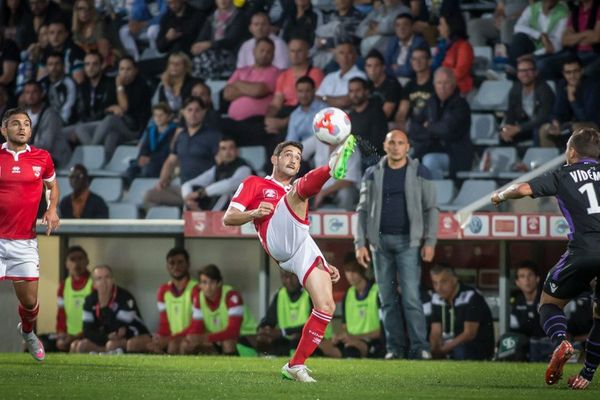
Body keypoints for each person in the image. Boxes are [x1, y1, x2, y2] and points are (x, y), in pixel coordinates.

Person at [222, 136, 358, 381]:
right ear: (274, 159)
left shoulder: (298, 194)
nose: (294, 160)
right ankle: (331, 168)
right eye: (288, 155)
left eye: (298, 158)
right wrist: (254, 212)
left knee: (326, 305)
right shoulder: (255, 183)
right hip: (277, 241)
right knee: (297, 194)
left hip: (301, 245)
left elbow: (303, 234)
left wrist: (323, 262)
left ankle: (295, 365)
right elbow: (228, 218)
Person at [491, 127, 600, 389]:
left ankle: (562, 340)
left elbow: (524, 188)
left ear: (572, 152)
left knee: (549, 303)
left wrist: (500, 195)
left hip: (583, 251)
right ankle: (586, 375)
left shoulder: (564, 173)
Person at [354, 129, 437, 360]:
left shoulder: (421, 171)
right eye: (392, 142)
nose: (396, 147)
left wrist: (430, 241)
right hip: (379, 244)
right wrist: (360, 242)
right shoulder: (372, 173)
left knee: (411, 297)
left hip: (408, 243)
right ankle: (394, 348)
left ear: (407, 147)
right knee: (387, 299)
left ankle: (421, 347)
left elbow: (432, 208)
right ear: (385, 144)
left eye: (400, 143)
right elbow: (361, 210)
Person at [0, 106, 61, 361]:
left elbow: (52, 185)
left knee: (29, 303)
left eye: (26, 123)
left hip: (24, 241)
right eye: (16, 123)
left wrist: (52, 209)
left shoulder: (42, 157)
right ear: (4, 129)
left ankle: (27, 332)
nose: (22, 127)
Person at [144, 96, 221, 208]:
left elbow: (222, 165)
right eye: (189, 110)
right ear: (183, 112)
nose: (193, 114)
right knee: (150, 195)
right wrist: (163, 179)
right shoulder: (181, 136)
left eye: (197, 110)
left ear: (204, 112)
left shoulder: (213, 136)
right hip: (183, 188)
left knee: (190, 204)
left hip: (203, 191)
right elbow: (171, 161)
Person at [75, 56, 152, 160]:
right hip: (116, 124)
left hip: (134, 128)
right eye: (122, 69)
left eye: (128, 69)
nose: (125, 72)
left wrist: (119, 87)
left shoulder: (141, 86)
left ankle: (92, 152)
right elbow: (107, 108)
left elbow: (124, 109)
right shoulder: (112, 85)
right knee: (83, 129)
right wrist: (111, 109)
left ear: (135, 71)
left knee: (111, 120)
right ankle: (104, 163)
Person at [256, 270, 337, 357]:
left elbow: (313, 326)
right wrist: (264, 328)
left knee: (297, 339)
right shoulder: (280, 294)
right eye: (284, 277)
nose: (288, 280)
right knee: (269, 341)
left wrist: (283, 332)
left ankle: (295, 365)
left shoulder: (311, 293)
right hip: (289, 338)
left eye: (292, 276)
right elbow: (269, 319)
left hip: (319, 339)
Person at [409, 67, 473, 176]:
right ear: (434, 85)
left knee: (430, 161)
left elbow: (447, 130)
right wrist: (434, 130)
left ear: (453, 84)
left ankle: (436, 193)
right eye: (439, 83)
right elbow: (414, 129)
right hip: (428, 149)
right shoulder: (430, 102)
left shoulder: (461, 105)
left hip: (455, 155)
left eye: (446, 83)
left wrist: (428, 127)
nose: (442, 87)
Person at [75, 265, 152, 354]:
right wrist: (105, 337)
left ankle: (104, 353)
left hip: (134, 335)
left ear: (113, 280)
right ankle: (102, 354)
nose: (104, 282)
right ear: (94, 284)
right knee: (80, 345)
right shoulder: (90, 300)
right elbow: (87, 330)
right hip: (107, 338)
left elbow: (120, 329)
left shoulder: (125, 297)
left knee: (111, 345)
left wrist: (103, 336)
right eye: (99, 278)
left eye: (107, 277)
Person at [183, 264, 258, 356]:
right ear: (199, 285)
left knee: (227, 343)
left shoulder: (231, 296)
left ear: (219, 283)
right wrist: (191, 338)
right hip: (220, 337)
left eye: (212, 282)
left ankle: (234, 369)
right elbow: (196, 327)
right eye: (204, 282)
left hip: (247, 338)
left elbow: (233, 331)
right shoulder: (199, 298)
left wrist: (204, 338)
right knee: (187, 344)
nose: (208, 287)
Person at [429, 264, 495, 360]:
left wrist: (443, 350)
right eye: (435, 283)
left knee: (461, 350)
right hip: (449, 346)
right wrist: (434, 348)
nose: (439, 288)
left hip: (475, 348)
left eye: (443, 282)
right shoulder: (436, 298)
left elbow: (469, 334)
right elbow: (435, 331)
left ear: (455, 280)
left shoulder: (471, 296)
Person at [264, 37, 325, 137]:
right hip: (286, 111)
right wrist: (269, 118)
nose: (295, 55)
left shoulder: (316, 73)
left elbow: (315, 102)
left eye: (299, 51)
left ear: (307, 53)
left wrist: (284, 122)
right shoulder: (283, 76)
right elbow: (276, 104)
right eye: (292, 51)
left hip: (305, 112)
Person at [539, 56, 600, 149]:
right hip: (570, 126)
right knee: (545, 129)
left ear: (582, 71)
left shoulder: (592, 86)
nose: (572, 76)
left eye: (576, 71)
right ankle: (553, 162)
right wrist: (556, 122)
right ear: (563, 73)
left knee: (578, 129)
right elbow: (557, 110)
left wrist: (572, 99)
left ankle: (583, 162)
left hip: (593, 126)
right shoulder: (563, 84)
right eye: (568, 72)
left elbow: (586, 117)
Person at [147, 247, 198, 355]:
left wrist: (170, 339)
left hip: (193, 336)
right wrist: (159, 338)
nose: (176, 266)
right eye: (172, 263)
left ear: (188, 264)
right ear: (167, 267)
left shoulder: (196, 289)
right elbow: (164, 323)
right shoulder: (163, 290)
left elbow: (197, 325)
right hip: (173, 338)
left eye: (180, 262)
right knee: (146, 345)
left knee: (173, 345)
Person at [181, 137, 252, 211]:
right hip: (225, 210)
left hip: (244, 210)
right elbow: (189, 184)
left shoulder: (244, 167)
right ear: (219, 152)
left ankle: (210, 216)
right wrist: (189, 199)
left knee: (225, 193)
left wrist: (202, 193)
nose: (227, 152)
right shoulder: (218, 168)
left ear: (237, 151)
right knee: (189, 200)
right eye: (223, 149)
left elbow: (230, 184)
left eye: (231, 148)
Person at [333, 256, 382, 358]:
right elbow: (344, 327)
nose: (350, 275)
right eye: (347, 271)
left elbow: (383, 331)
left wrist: (354, 337)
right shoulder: (348, 294)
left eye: (354, 271)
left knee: (351, 350)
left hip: (372, 341)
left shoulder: (377, 291)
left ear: (362, 271)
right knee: (322, 347)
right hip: (351, 340)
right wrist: (339, 336)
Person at [501, 55, 554, 145]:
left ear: (535, 72)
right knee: (503, 135)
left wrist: (518, 128)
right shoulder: (515, 89)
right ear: (517, 74)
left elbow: (543, 117)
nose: (525, 74)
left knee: (537, 132)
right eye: (521, 71)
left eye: (528, 70)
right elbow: (510, 113)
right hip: (525, 126)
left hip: (542, 126)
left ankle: (538, 158)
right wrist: (507, 129)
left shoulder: (544, 88)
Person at [509, 260, 553, 361]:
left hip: (549, 346)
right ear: (517, 282)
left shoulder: (547, 298)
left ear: (537, 279)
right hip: (526, 350)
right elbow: (514, 331)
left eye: (530, 275)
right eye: (522, 276)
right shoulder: (515, 301)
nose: (527, 280)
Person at [22, 80, 71, 168]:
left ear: (42, 94)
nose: (30, 95)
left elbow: (46, 144)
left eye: (34, 92)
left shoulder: (50, 114)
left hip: (54, 157)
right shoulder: (24, 115)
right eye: (27, 92)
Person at [126, 103, 177, 183]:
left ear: (168, 117)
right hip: (149, 161)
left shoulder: (173, 132)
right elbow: (144, 147)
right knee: (130, 170)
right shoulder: (151, 130)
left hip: (162, 163)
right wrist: (142, 157)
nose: (158, 118)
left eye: (161, 115)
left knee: (148, 170)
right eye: (155, 115)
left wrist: (150, 159)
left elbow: (167, 151)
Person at [55, 245, 93, 352]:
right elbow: (61, 312)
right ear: (66, 264)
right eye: (72, 259)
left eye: (80, 259)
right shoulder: (63, 286)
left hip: (88, 336)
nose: (76, 263)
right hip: (68, 335)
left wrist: (78, 336)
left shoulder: (94, 283)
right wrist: (60, 332)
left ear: (87, 261)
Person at [347, 77, 391, 165]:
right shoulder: (350, 115)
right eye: (351, 91)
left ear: (366, 91)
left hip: (375, 158)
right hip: (356, 156)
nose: (354, 94)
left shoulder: (376, 112)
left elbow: (377, 144)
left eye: (358, 90)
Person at [316, 42, 366, 109]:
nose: (345, 56)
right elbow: (316, 98)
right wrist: (334, 100)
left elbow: (345, 102)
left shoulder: (360, 76)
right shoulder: (329, 77)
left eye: (349, 53)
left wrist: (324, 98)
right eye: (341, 53)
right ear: (336, 58)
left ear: (355, 56)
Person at [433, 11, 474, 95]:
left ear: (450, 26)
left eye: (441, 24)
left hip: (458, 89)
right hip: (439, 87)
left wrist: (440, 78)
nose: (438, 27)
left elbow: (459, 72)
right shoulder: (441, 46)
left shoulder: (464, 46)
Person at [394, 46, 433, 132]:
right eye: (414, 59)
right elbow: (402, 111)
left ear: (429, 61)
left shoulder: (436, 83)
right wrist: (400, 124)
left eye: (421, 58)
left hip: (431, 127)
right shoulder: (409, 85)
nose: (417, 62)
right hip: (411, 128)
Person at [384, 13, 427, 79]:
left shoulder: (419, 42)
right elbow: (385, 66)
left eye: (405, 25)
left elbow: (411, 69)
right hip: (393, 80)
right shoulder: (393, 41)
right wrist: (400, 69)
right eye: (398, 25)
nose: (401, 28)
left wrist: (396, 69)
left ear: (412, 27)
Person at [38, 51, 77, 124]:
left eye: (57, 64)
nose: (53, 67)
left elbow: (69, 106)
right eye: (50, 64)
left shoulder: (69, 83)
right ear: (46, 66)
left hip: (65, 124)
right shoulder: (42, 83)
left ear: (63, 66)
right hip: (44, 123)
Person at [285, 76, 327, 143]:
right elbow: (291, 139)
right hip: (304, 150)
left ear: (314, 91)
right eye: (300, 91)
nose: (304, 95)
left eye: (307, 91)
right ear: (296, 93)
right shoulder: (294, 115)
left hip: (322, 145)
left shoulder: (324, 110)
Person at [364, 49, 402, 121]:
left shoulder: (392, 85)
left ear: (383, 67)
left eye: (376, 66)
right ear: (365, 68)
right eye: (369, 66)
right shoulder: (367, 85)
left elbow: (385, 114)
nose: (372, 70)